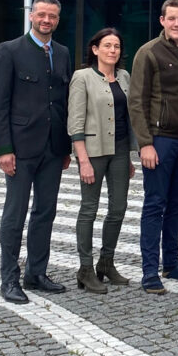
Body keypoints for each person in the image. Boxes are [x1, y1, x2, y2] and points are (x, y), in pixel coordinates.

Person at [0, 0, 71, 304]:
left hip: (52, 148)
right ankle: (8, 279)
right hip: (20, 149)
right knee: (15, 213)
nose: (46, 20)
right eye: (41, 15)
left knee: (45, 212)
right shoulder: (9, 51)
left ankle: (36, 273)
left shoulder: (61, 53)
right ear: (31, 16)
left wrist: (65, 148)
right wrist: (4, 149)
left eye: (52, 16)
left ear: (57, 20)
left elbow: (61, 103)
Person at [129, 0, 178, 294]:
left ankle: (171, 263)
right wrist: (145, 144)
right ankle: (149, 271)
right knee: (155, 204)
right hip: (159, 141)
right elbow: (136, 101)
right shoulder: (148, 52)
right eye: (171, 18)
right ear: (162, 20)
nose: (177, 23)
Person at [67, 28, 137, 294]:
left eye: (116, 46)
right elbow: (75, 121)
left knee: (118, 208)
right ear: (95, 49)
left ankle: (106, 262)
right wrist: (82, 159)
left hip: (119, 150)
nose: (112, 50)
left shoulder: (124, 76)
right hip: (93, 152)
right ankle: (85, 268)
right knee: (89, 209)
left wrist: (130, 156)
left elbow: (126, 117)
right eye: (107, 45)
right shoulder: (82, 77)